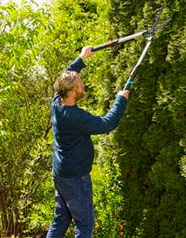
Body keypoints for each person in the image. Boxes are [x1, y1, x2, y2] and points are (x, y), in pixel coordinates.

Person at [46, 46, 129, 238]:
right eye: (80, 85)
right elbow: (107, 123)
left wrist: (81, 58)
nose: (83, 86)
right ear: (73, 92)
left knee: (61, 218)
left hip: (61, 174)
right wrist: (120, 100)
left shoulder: (57, 102)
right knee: (85, 226)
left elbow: (67, 76)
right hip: (76, 178)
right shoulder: (76, 117)